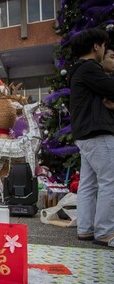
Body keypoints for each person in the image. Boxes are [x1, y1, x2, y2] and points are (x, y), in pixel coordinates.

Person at [68, 28, 114, 248]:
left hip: (85, 134)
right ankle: (105, 231)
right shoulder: (90, 69)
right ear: (96, 46)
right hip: (98, 133)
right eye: (104, 46)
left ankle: (85, 229)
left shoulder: (79, 71)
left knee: (88, 183)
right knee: (109, 181)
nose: (105, 50)